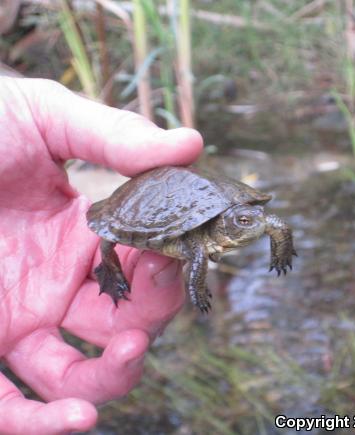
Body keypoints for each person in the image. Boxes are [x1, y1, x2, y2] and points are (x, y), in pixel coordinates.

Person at [0, 77, 204, 434]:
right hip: (130, 214)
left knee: (145, 282)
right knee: (112, 245)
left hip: (160, 219)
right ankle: (110, 272)